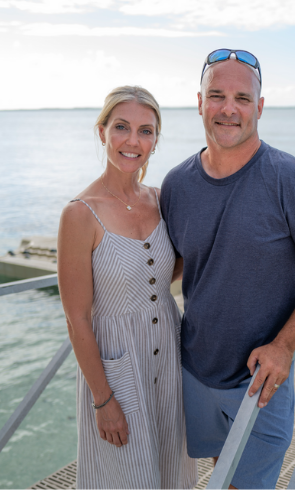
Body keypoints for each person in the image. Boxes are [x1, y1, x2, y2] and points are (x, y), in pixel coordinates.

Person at [161, 49, 295, 489]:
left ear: (259, 107)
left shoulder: (293, 180)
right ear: (199, 101)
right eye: (217, 95)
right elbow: (176, 264)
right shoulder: (175, 184)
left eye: (242, 98)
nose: (229, 108)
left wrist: (284, 347)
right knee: (222, 472)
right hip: (193, 367)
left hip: (261, 381)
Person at [57, 86, 197, 489]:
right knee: (125, 478)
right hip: (117, 370)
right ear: (102, 132)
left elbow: (169, 268)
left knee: (174, 474)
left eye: (146, 131)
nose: (133, 141)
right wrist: (103, 400)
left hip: (170, 360)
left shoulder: (161, 199)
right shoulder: (80, 215)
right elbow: (77, 318)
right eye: (121, 127)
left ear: (155, 140)